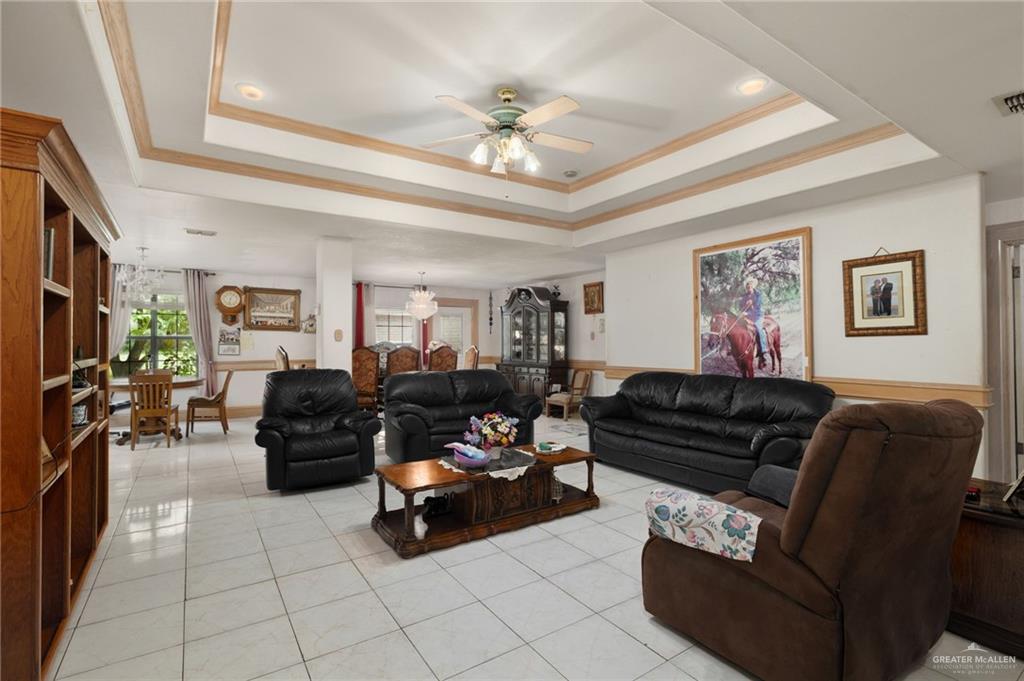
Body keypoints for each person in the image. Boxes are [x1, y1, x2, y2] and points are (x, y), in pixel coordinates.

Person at [738, 278, 768, 359]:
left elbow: (758, 308)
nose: (749, 286)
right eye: (747, 284)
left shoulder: (758, 295)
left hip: (757, 315)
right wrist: (742, 311)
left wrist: (748, 312)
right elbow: (740, 306)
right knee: (737, 328)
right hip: (746, 316)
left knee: (758, 328)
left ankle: (763, 349)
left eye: (750, 284)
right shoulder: (744, 296)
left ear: (753, 285)